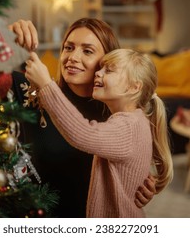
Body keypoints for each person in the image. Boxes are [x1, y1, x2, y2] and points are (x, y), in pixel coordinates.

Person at [10, 18, 156, 217]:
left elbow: (87, 136)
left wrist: (134, 187)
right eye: (68, 48)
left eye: (87, 51)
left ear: (108, 60)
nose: (72, 57)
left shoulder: (119, 117)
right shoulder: (32, 93)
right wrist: (5, 36)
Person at [24, 48, 173, 217]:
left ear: (134, 87)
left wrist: (45, 85)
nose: (98, 73)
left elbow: (83, 133)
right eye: (100, 68)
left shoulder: (128, 127)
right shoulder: (135, 121)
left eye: (108, 70)